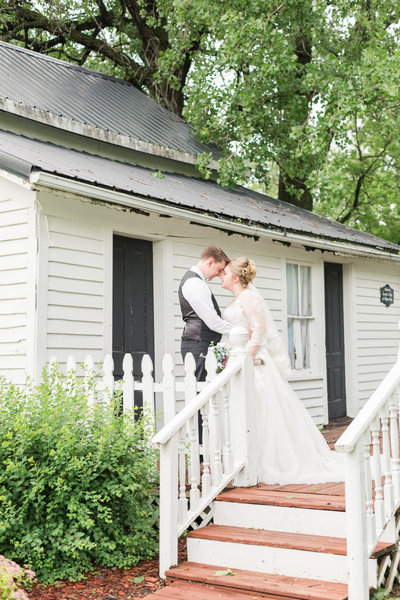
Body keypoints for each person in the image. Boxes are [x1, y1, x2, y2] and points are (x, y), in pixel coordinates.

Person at [220, 257, 343, 484]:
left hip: (252, 362)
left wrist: (245, 357)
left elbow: (259, 330)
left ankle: (268, 461)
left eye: (225, 273)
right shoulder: (238, 298)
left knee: (263, 411)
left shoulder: (248, 297)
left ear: (236, 277)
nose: (221, 276)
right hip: (239, 358)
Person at [179, 246, 232, 381]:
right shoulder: (194, 282)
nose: (220, 275)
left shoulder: (197, 281)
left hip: (200, 343)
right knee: (198, 394)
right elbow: (213, 322)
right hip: (198, 345)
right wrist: (239, 330)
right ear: (210, 262)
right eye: (219, 270)